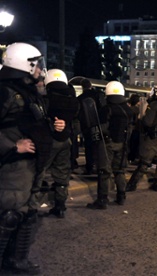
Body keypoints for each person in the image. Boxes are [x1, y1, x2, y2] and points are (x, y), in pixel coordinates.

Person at [0, 42, 65, 274]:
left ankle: (17, 259)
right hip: (13, 166)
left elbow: (30, 123)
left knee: (27, 213)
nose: (40, 69)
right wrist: (12, 146)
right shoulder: (5, 91)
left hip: (31, 166)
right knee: (9, 215)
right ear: (24, 64)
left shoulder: (28, 92)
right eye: (37, 64)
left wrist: (53, 126)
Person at [35, 69, 80, 218]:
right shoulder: (73, 100)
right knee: (62, 174)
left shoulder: (45, 99)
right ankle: (60, 206)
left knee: (39, 172)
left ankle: (31, 208)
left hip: (49, 141)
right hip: (65, 140)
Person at [87, 81, 133, 209]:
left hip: (108, 143)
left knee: (104, 171)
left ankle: (102, 199)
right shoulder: (128, 110)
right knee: (119, 170)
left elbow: (102, 128)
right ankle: (121, 196)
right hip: (122, 144)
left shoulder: (107, 109)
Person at [126, 85, 157, 192]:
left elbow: (147, 121)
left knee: (145, 160)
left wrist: (141, 120)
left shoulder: (154, 105)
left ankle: (132, 183)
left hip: (153, 136)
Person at [77, 78, 106, 175]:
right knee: (99, 146)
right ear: (91, 86)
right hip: (98, 126)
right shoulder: (97, 95)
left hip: (86, 127)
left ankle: (89, 167)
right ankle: (99, 166)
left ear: (82, 87)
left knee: (88, 146)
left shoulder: (80, 98)